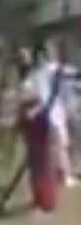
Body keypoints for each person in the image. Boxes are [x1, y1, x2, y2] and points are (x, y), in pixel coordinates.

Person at [21, 37, 79, 188]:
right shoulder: (40, 73)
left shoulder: (49, 70)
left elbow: (71, 74)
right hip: (52, 114)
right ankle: (66, 176)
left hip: (59, 111)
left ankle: (68, 172)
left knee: (64, 144)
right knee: (59, 145)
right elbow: (29, 92)